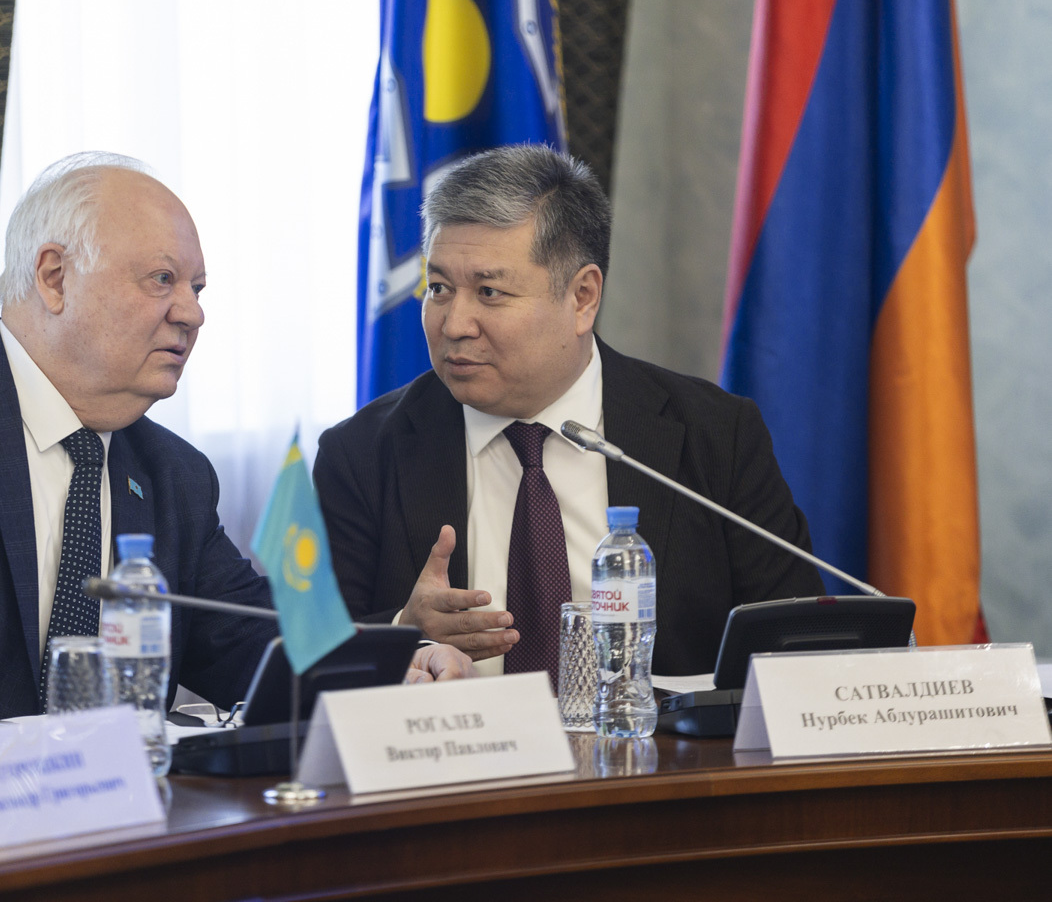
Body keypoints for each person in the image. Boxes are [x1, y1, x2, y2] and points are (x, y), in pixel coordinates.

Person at [0, 152, 468, 750]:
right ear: (54, 277)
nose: (193, 314)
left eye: (198, 288)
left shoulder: (173, 475)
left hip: (106, 838)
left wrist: (390, 660)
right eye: (162, 280)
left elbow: (248, 636)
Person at [314, 145, 823, 678]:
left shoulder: (715, 435)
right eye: (439, 288)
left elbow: (794, 644)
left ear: (582, 297)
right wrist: (404, 632)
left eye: (489, 291)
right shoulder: (361, 454)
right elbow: (309, 662)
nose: (455, 323)